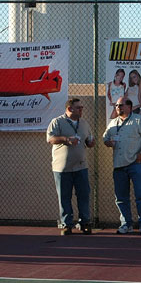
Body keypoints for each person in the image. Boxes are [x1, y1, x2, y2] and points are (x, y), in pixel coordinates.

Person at [103, 97, 141, 236]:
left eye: (121, 105)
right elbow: (105, 139)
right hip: (119, 166)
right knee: (121, 197)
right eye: (116, 105)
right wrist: (109, 143)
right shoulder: (113, 123)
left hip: (135, 164)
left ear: (130, 107)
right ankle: (126, 224)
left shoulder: (139, 120)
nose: (118, 107)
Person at [46, 98, 96, 235]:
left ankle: (84, 222)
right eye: (78, 107)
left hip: (81, 167)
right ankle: (66, 224)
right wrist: (66, 140)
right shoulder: (57, 122)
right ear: (69, 109)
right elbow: (50, 139)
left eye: (82, 107)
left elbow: (88, 140)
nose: (81, 110)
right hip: (62, 168)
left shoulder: (84, 123)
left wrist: (91, 143)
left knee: (83, 195)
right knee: (64, 196)